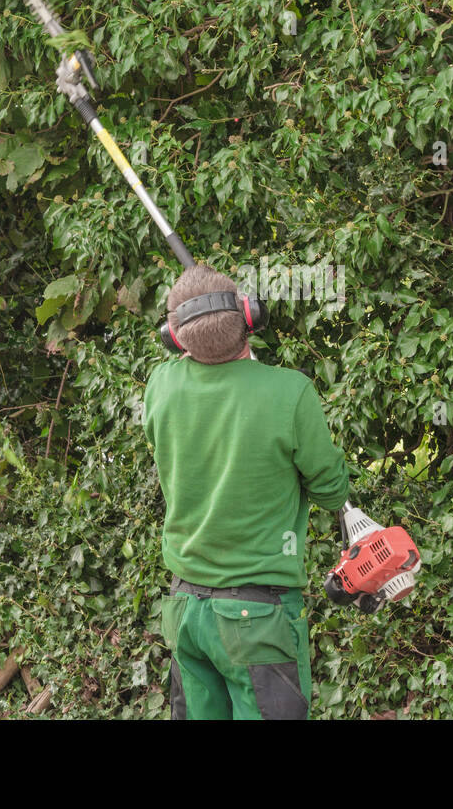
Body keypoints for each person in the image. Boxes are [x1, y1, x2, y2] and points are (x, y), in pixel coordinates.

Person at [142, 264, 350, 719]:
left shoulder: (160, 386)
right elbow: (330, 488)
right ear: (250, 317)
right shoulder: (290, 392)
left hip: (184, 611)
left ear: (174, 338)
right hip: (257, 619)